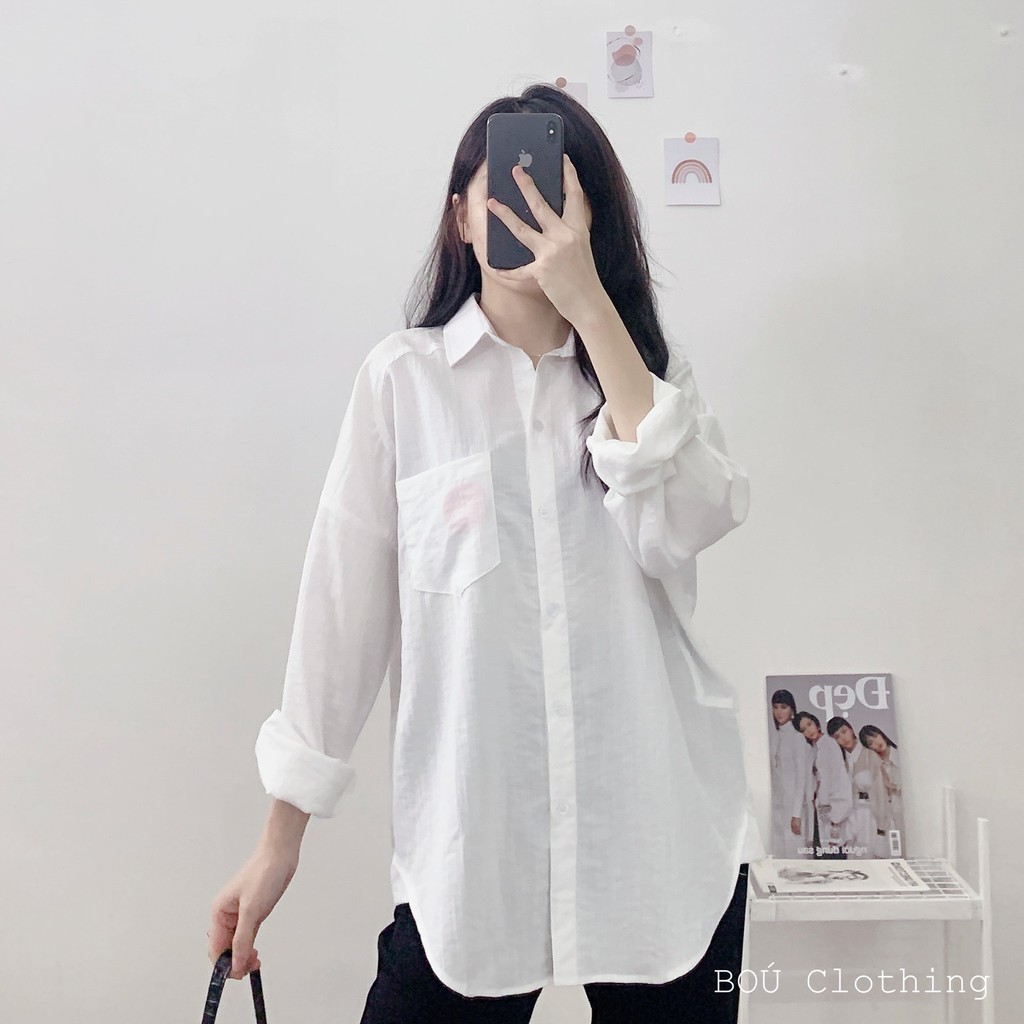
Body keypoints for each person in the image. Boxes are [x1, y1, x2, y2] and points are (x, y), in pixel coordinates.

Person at [208, 83, 762, 1023]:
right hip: (470, 856)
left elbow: (689, 520)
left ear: (594, 221)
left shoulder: (652, 383)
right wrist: (278, 841)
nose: (530, 213)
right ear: (461, 218)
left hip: (662, 844)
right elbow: (341, 613)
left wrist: (591, 308)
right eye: (502, 192)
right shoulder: (404, 383)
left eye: (558, 195)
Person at [794, 711, 852, 858]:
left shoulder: (829, 744)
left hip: (832, 809)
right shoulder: (813, 749)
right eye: (803, 729)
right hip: (820, 810)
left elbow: (837, 780)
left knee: (833, 853)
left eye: (809, 724)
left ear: (816, 724)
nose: (809, 731)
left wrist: (834, 817)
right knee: (821, 854)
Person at [826, 717, 884, 859]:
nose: (843, 738)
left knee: (868, 855)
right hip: (848, 815)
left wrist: (882, 823)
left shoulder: (869, 754)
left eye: (844, 731)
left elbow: (881, 791)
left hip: (870, 814)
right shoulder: (839, 760)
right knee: (851, 857)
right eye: (837, 737)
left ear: (851, 729)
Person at [768, 689, 813, 857]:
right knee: (778, 854)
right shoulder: (774, 737)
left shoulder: (797, 738)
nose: (779, 712)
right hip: (776, 806)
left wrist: (796, 814)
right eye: (775, 707)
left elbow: (802, 778)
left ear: (792, 709)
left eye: (783, 707)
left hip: (794, 807)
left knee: (795, 854)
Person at [860, 724, 903, 856]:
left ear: (881, 734)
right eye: (870, 743)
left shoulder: (901, 756)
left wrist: (892, 786)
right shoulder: (875, 765)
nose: (876, 743)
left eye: (875, 736)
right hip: (887, 821)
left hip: (904, 815)